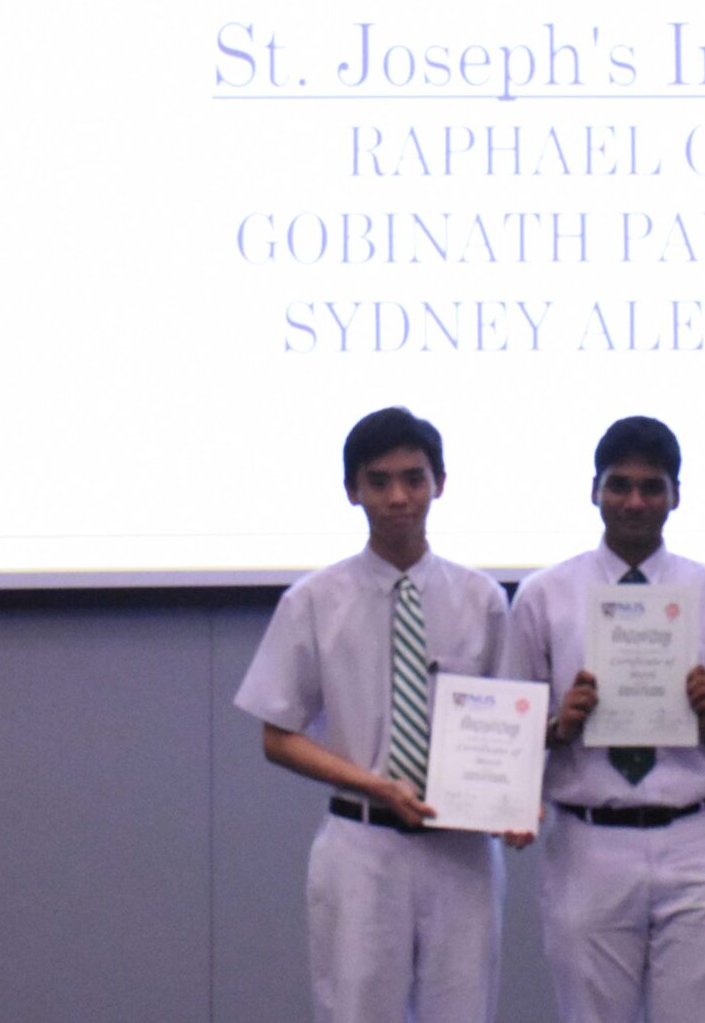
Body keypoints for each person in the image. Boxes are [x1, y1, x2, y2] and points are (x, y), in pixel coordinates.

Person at [232, 407, 514, 1023]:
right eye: (378, 481)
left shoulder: (482, 600)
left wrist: (514, 801)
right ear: (351, 490)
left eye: (414, 479)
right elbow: (277, 737)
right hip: (361, 845)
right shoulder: (313, 601)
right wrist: (377, 786)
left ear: (440, 483)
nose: (398, 498)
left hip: (460, 850)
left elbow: (509, 724)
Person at [499, 415, 705, 1023]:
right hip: (589, 840)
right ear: (594, 490)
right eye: (619, 485)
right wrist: (560, 725)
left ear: (676, 495)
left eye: (652, 487)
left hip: (697, 839)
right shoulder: (543, 595)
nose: (635, 501)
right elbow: (513, 729)